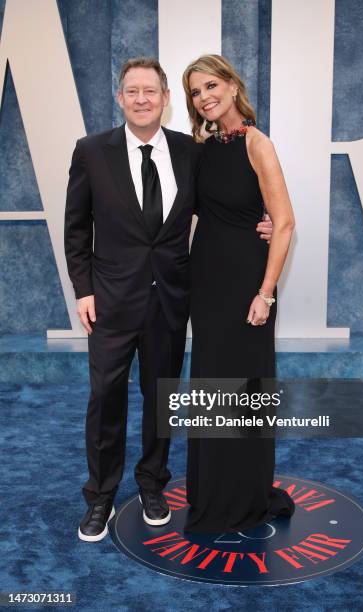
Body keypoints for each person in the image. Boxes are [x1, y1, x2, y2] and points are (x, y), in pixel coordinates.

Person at [64, 57, 272, 542]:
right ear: (120, 98)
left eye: (150, 92)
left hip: (170, 302)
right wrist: (84, 290)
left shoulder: (190, 152)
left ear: (165, 99)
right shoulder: (91, 151)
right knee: (105, 400)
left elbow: (226, 199)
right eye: (132, 91)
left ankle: (152, 484)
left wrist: (262, 220)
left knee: (160, 400)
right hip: (111, 303)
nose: (141, 99)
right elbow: (76, 228)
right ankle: (100, 497)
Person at [182, 54, 296, 533]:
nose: (204, 97)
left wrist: (266, 293)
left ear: (232, 86)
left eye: (211, 86)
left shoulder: (257, 143)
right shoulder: (200, 149)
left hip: (247, 286)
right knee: (210, 386)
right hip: (206, 284)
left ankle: (242, 495)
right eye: (194, 92)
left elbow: (284, 221)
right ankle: (211, 492)